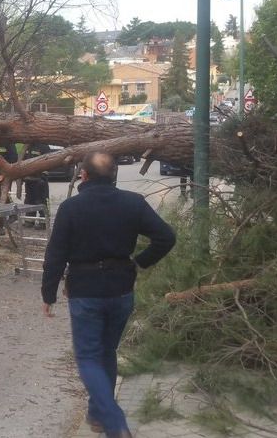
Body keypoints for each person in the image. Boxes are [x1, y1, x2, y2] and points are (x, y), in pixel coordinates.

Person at [41, 151, 176, 438]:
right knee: (106, 352)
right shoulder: (133, 203)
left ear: (84, 175)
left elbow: (55, 255)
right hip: (121, 289)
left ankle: (114, 422)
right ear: (113, 175)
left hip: (85, 290)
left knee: (89, 356)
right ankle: (97, 413)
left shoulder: (71, 208)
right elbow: (166, 237)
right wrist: (140, 261)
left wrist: (48, 293)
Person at [23, 143, 51, 227]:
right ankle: (29, 220)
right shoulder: (27, 146)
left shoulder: (44, 147)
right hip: (29, 179)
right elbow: (23, 161)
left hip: (40, 180)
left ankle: (43, 222)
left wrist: (43, 176)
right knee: (29, 200)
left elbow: (48, 163)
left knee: (41, 201)